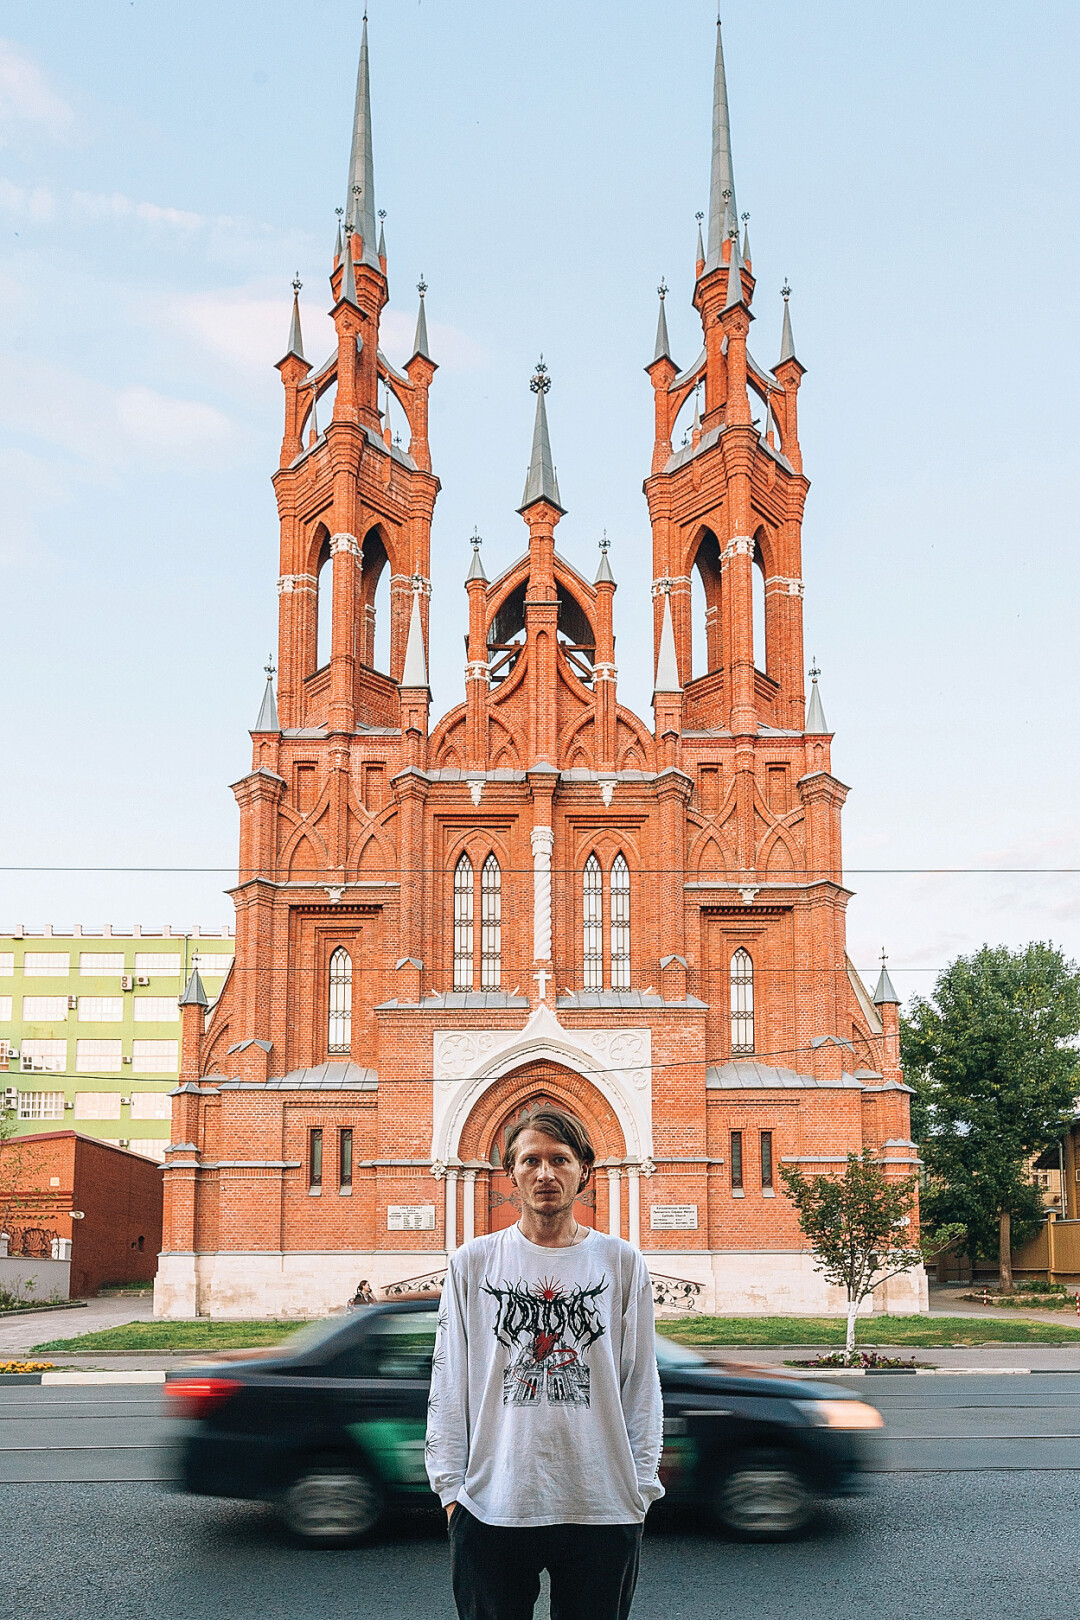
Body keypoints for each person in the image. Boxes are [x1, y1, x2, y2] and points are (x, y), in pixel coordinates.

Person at [425, 1107, 663, 1620]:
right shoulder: (474, 1262)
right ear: (510, 1173)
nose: (545, 1174)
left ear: (586, 1172)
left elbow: (641, 1381)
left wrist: (639, 1490)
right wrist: (451, 1493)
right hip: (493, 1506)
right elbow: (448, 1379)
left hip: (602, 1505)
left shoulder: (620, 1262)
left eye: (560, 1159)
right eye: (530, 1160)